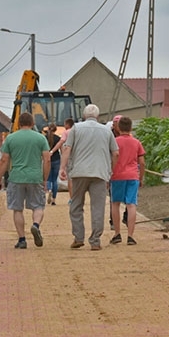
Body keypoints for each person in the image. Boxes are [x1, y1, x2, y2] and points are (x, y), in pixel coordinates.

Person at [59, 104, 118, 251]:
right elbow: (115, 153)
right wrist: (110, 169)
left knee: (76, 205)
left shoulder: (76, 129)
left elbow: (67, 148)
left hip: (79, 172)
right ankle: (95, 240)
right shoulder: (106, 131)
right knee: (97, 207)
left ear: (84, 115)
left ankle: (79, 237)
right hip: (100, 173)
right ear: (97, 116)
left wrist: (62, 168)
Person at [0, 112, 51, 249]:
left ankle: (22, 239)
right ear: (32, 123)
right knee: (38, 206)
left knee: (17, 209)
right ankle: (35, 225)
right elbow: (47, 159)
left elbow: (4, 160)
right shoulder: (40, 138)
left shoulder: (11, 139)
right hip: (35, 177)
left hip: (16, 177)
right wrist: (44, 179)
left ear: (19, 124)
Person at [109, 116, 145, 245]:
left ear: (118, 128)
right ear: (131, 128)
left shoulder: (114, 142)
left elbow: (111, 158)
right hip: (132, 176)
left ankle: (117, 233)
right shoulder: (136, 142)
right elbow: (142, 162)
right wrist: (140, 177)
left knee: (115, 204)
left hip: (117, 176)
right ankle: (130, 236)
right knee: (131, 204)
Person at [51, 118, 75, 201]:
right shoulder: (77, 131)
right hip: (79, 157)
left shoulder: (66, 132)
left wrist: (52, 151)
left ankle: (72, 198)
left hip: (69, 157)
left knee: (70, 179)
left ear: (68, 125)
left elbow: (61, 143)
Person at [44, 122, 61, 205]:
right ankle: (54, 199)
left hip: (47, 159)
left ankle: (49, 189)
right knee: (55, 180)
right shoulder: (58, 138)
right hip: (56, 159)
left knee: (48, 178)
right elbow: (62, 149)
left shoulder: (44, 138)